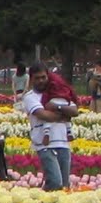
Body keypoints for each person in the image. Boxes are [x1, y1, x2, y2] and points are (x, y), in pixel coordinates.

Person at [23, 63, 76, 191]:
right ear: (31, 79)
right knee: (55, 182)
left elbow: (74, 111)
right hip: (44, 144)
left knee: (64, 185)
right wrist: (64, 116)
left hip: (62, 141)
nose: (41, 81)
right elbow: (44, 115)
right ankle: (42, 199)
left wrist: (57, 107)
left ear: (48, 76)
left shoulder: (57, 92)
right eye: (37, 78)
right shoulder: (30, 97)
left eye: (43, 77)